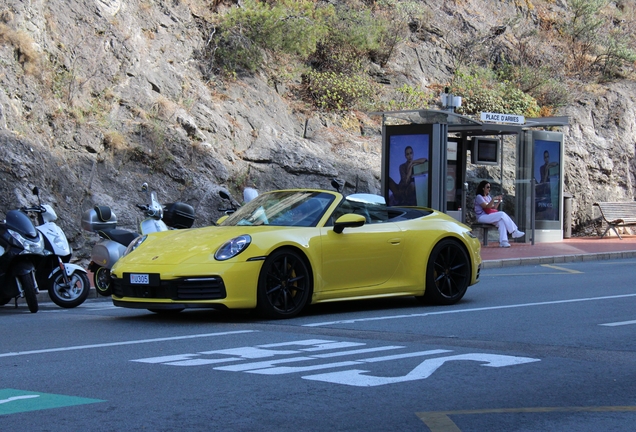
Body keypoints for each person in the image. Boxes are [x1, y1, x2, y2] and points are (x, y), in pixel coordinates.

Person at [474, 180, 525, 248]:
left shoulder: (488, 197)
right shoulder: (479, 197)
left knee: (501, 221)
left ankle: (503, 242)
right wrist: (493, 199)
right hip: (481, 217)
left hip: (488, 215)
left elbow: (493, 207)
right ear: (483, 188)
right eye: (488, 187)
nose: (489, 189)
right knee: (502, 214)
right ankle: (514, 231)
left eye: (490, 187)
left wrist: (498, 201)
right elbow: (486, 206)